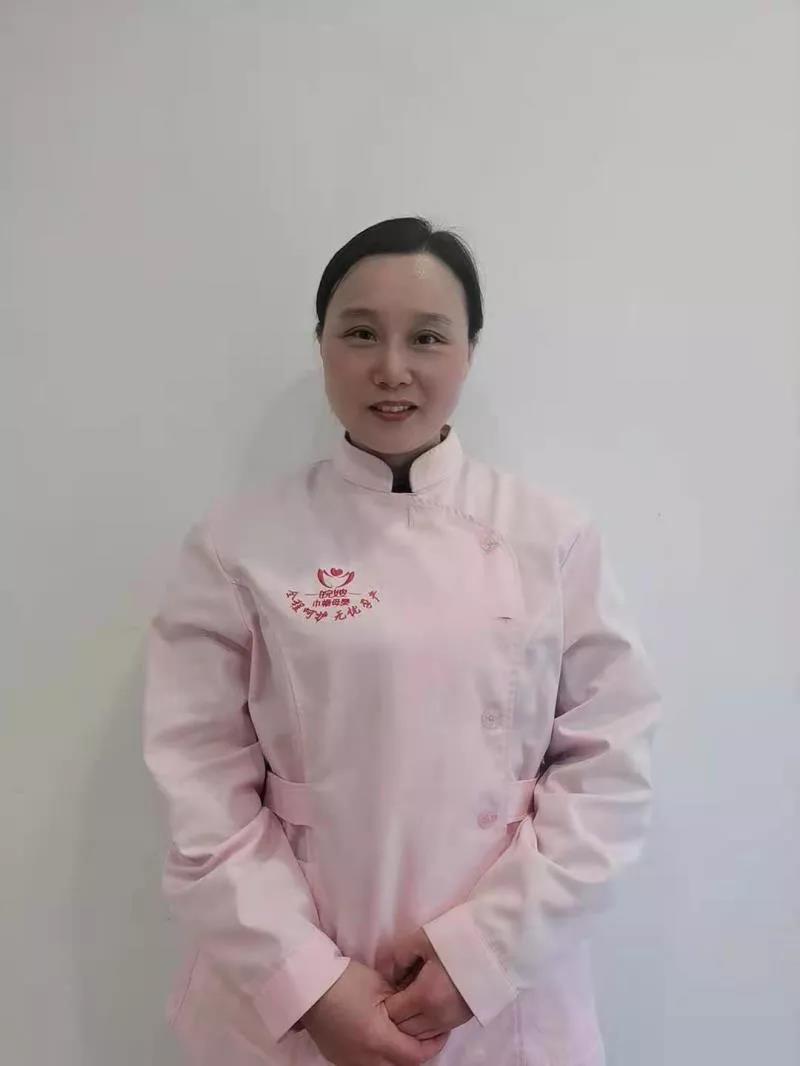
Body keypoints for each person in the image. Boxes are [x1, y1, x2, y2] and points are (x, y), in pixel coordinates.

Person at [142, 216, 661, 1066]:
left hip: (504, 993)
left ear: (469, 352)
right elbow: (198, 783)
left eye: (427, 337)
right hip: (293, 984)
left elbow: (610, 768)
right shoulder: (240, 543)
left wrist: (482, 956)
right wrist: (310, 985)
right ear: (321, 345)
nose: (392, 368)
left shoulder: (550, 536)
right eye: (360, 334)